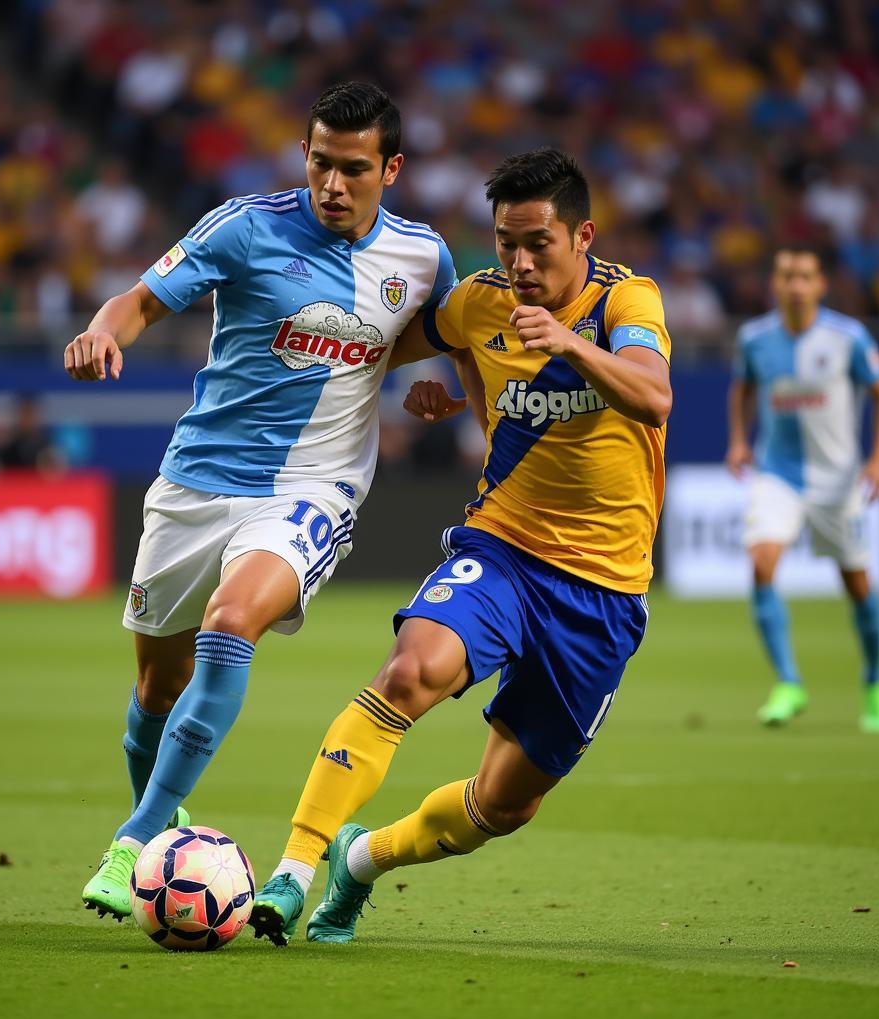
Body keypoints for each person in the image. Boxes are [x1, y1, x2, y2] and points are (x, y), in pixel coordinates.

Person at [248, 148, 673, 945]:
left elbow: (654, 395)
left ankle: (362, 861)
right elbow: (383, 342)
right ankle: (293, 871)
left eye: (537, 244)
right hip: (503, 551)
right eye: (505, 243)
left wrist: (569, 345)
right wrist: (452, 387)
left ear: (582, 236)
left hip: (605, 593)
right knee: (411, 671)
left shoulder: (627, 301)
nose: (518, 262)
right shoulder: (479, 304)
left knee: (504, 806)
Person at [65, 82, 457, 920]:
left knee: (231, 622)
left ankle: (132, 841)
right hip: (197, 480)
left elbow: (448, 331)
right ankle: (164, 823)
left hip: (315, 489)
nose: (333, 185)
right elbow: (136, 301)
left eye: (354, 169)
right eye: (320, 163)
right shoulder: (245, 225)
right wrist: (103, 330)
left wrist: (434, 382)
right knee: (155, 694)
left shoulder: (422, 255)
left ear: (391, 168)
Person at [726, 244, 879, 731]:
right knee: (761, 562)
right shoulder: (755, 339)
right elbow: (741, 388)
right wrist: (739, 441)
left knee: (857, 584)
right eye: (786, 276)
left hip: (838, 480)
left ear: (820, 285)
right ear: (774, 285)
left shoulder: (849, 337)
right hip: (777, 474)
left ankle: (874, 683)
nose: (795, 285)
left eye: (804, 276)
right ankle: (788, 682)